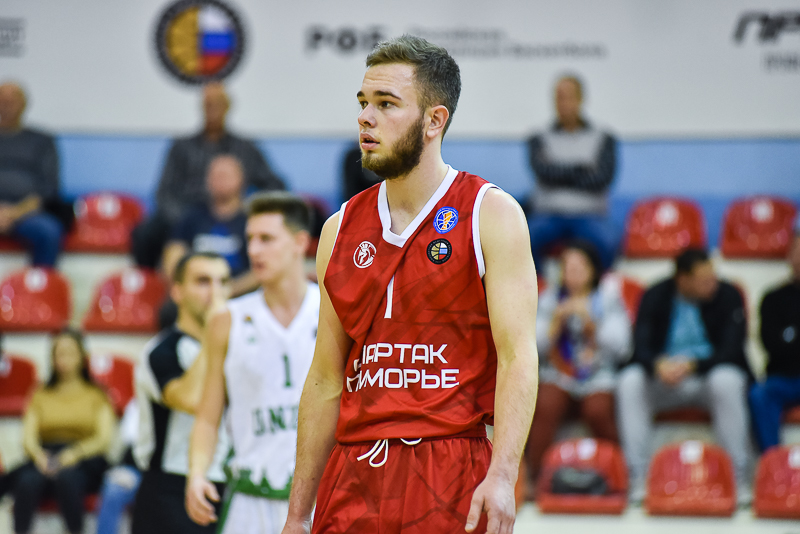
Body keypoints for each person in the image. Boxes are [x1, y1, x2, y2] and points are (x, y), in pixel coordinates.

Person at [283, 35, 539, 534]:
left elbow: (518, 357)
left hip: (450, 466)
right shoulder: (338, 229)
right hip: (353, 472)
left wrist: (504, 475)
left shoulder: (490, 213)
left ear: (434, 120)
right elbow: (325, 380)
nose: (365, 117)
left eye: (386, 104)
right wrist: (298, 514)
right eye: (363, 102)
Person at [185, 192, 319, 534]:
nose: (254, 250)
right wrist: (197, 473)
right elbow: (208, 417)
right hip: (250, 501)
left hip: (321, 500)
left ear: (300, 243)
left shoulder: (333, 312)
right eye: (250, 239)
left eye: (266, 239)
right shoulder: (227, 320)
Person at [616, 248, 753, 500]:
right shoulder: (655, 295)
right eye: (704, 280)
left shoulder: (728, 295)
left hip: (708, 377)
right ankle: (637, 477)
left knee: (727, 380)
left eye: (712, 277)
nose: (712, 284)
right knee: (630, 381)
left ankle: (738, 478)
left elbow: (733, 350)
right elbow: (640, 346)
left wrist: (693, 365)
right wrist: (657, 364)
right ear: (683, 279)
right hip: (666, 380)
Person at [132, 82, 285, 269]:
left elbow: (275, 186)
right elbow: (164, 193)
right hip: (189, 213)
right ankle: (149, 281)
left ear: (227, 107)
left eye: (217, 104)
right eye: (208, 104)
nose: (212, 110)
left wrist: (248, 207)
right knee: (146, 233)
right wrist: (186, 220)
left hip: (234, 215)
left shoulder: (246, 148)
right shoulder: (182, 147)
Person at [132, 252, 232, 534]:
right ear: (177, 291)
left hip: (228, 482)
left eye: (223, 282)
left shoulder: (241, 345)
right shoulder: (160, 351)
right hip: (170, 488)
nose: (215, 293)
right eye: (203, 281)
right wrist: (214, 332)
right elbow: (193, 400)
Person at [525, 240, 630, 494]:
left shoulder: (608, 298)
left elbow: (622, 347)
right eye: (567, 267)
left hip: (598, 374)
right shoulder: (550, 298)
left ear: (593, 270)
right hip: (559, 373)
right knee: (545, 405)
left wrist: (593, 325)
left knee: (598, 410)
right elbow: (533, 347)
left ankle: (616, 477)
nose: (572, 273)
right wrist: (554, 324)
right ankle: (533, 479)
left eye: (579, 267)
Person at [11, 329, 114, 534]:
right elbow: (28, 437)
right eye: (59, 353)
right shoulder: (40, 393)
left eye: (70, 353)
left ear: (82, 357)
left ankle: (75, 530)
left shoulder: (96, 394)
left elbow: (103, 439)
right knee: (27, 482)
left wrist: (75, 453)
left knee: (67, 479)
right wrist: (39, 456)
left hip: (84, 459)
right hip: (47, 456)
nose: (64, 359)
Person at [526, 75, 618, 270]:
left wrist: (559, 171)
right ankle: (537, 286)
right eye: (559, 97)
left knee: (609, 241)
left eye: (569, 97)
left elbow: (602, 178)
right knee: (522, 239)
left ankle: (595, 287)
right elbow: (543, 173)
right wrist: (582, 169)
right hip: (548, 215)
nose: (564, 103)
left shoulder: (604, 137)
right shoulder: (538, 137)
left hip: (590, 215)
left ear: (581, 99)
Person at [163, 154, 258, 297]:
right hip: (195, 292)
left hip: (238, 294)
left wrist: (227, 291)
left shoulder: (251, 220)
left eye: (225, 175)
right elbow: (174, 252)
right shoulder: (193, 216)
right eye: (215, 176)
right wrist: (186, 287)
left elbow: (259, 271)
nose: (220, 180)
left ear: (241, 180)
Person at [0, 81, 64, 266]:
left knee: (49, 231)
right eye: (2, 101)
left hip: (27, 213)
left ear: (23, 105)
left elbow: (49, 188)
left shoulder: (41, 141)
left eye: (11, 102)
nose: (6, 107)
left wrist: (14, 212)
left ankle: (40, 282)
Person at [749, 228, 800, 452]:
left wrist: (792, 337)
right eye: (797, 252)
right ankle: (772, 461)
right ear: (789, 256)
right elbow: (771, 346)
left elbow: (786, 344)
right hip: (783, 378)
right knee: (760, 394)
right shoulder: (773, 298)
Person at [95, 400, 141, 534]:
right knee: (113, 490)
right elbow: (125, 447)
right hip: (134, 469)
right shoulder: (135, 406)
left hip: (167, 472)